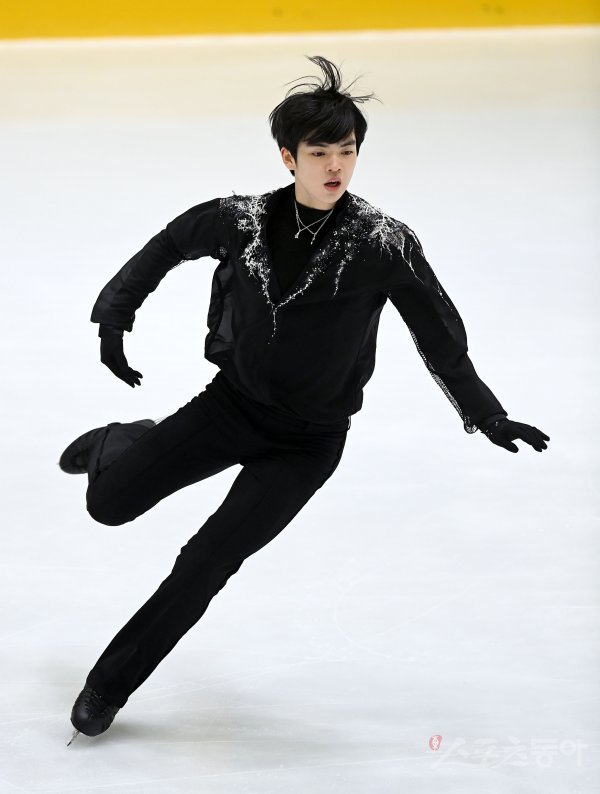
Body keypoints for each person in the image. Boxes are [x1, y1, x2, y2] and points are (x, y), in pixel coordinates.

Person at [59, 55, 550, 744]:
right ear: (288, 157)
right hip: (230, 407)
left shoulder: (383, 243)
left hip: (307, 443)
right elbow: (168, 244)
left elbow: (439, 334)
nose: (335, 166)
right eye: (319, 152)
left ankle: (107, 687)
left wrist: (485, 412)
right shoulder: (241, 220)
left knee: (205, 562)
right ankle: (122, 441)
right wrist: (115, 317)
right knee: (108, 506)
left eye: (346, 151)